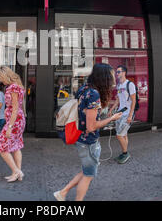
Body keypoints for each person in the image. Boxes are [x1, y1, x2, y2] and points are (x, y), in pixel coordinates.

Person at [54, 63, 123, 201]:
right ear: (104, 77)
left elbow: (85, 113)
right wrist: (112, 118)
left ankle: (63, 192)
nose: (113, 78)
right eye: (111, 75)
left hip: (82, 139)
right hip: (88, 141)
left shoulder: (85, 88)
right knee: (88, 176)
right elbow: (91, 127)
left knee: (88, 170)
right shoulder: (94, 94)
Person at [0, 66, 26, 182]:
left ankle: (17, 171)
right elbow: (19, 107)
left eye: (0, 77)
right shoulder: (17, 86)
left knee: (1, 146)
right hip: (18, 120)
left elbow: (15, 108)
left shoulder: (12, 88)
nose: (0, 81)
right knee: (16, 146)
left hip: (15, 121)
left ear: (4, 75)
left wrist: (10, 127)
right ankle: (17, 173)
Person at [110, 65, 137, 164]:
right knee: (124, 134)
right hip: (120, 113)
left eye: (119, 72)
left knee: (119, 135)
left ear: (124, 72)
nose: (117, 74)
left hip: (127, 114)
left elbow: (133, 100)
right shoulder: (119, 85)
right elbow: (118, 100)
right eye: (116, 72)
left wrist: (130, 115)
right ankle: (123, 152)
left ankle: (125, 153)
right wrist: (111, 110)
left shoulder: (130, 84)